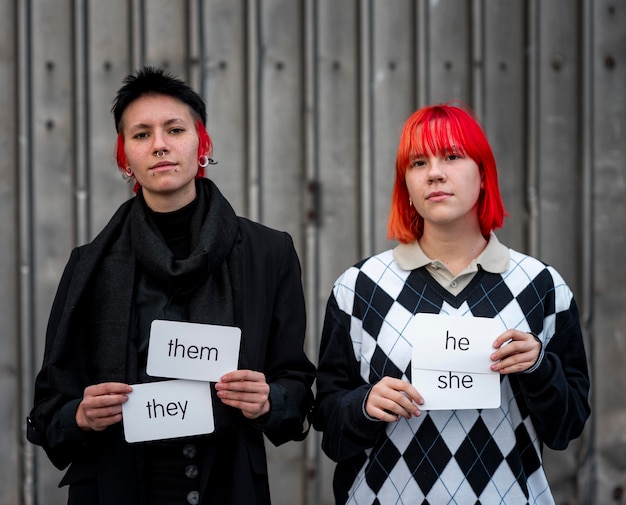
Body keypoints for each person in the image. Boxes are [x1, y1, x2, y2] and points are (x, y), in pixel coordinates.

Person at [27, 66, 315, 505]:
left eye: (174, 129)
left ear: (203, 144)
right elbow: (49, 412)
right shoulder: (90, 265)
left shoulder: (267, 253)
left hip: (228, 483)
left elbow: (295, 387)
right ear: (124, 158)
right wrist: (82, 415)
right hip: (117, 486)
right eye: (141, 135)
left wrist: (268, 400)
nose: (159, 144)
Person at [312, 103, 590, 504]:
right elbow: (329, 427)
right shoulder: (359, 287)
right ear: (405, 184)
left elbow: (568, 427)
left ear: (483, 175)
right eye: (418, 161)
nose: (435, 173)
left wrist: (538, 367)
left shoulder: (541, 286)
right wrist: (364, 405)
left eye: (453, 156)